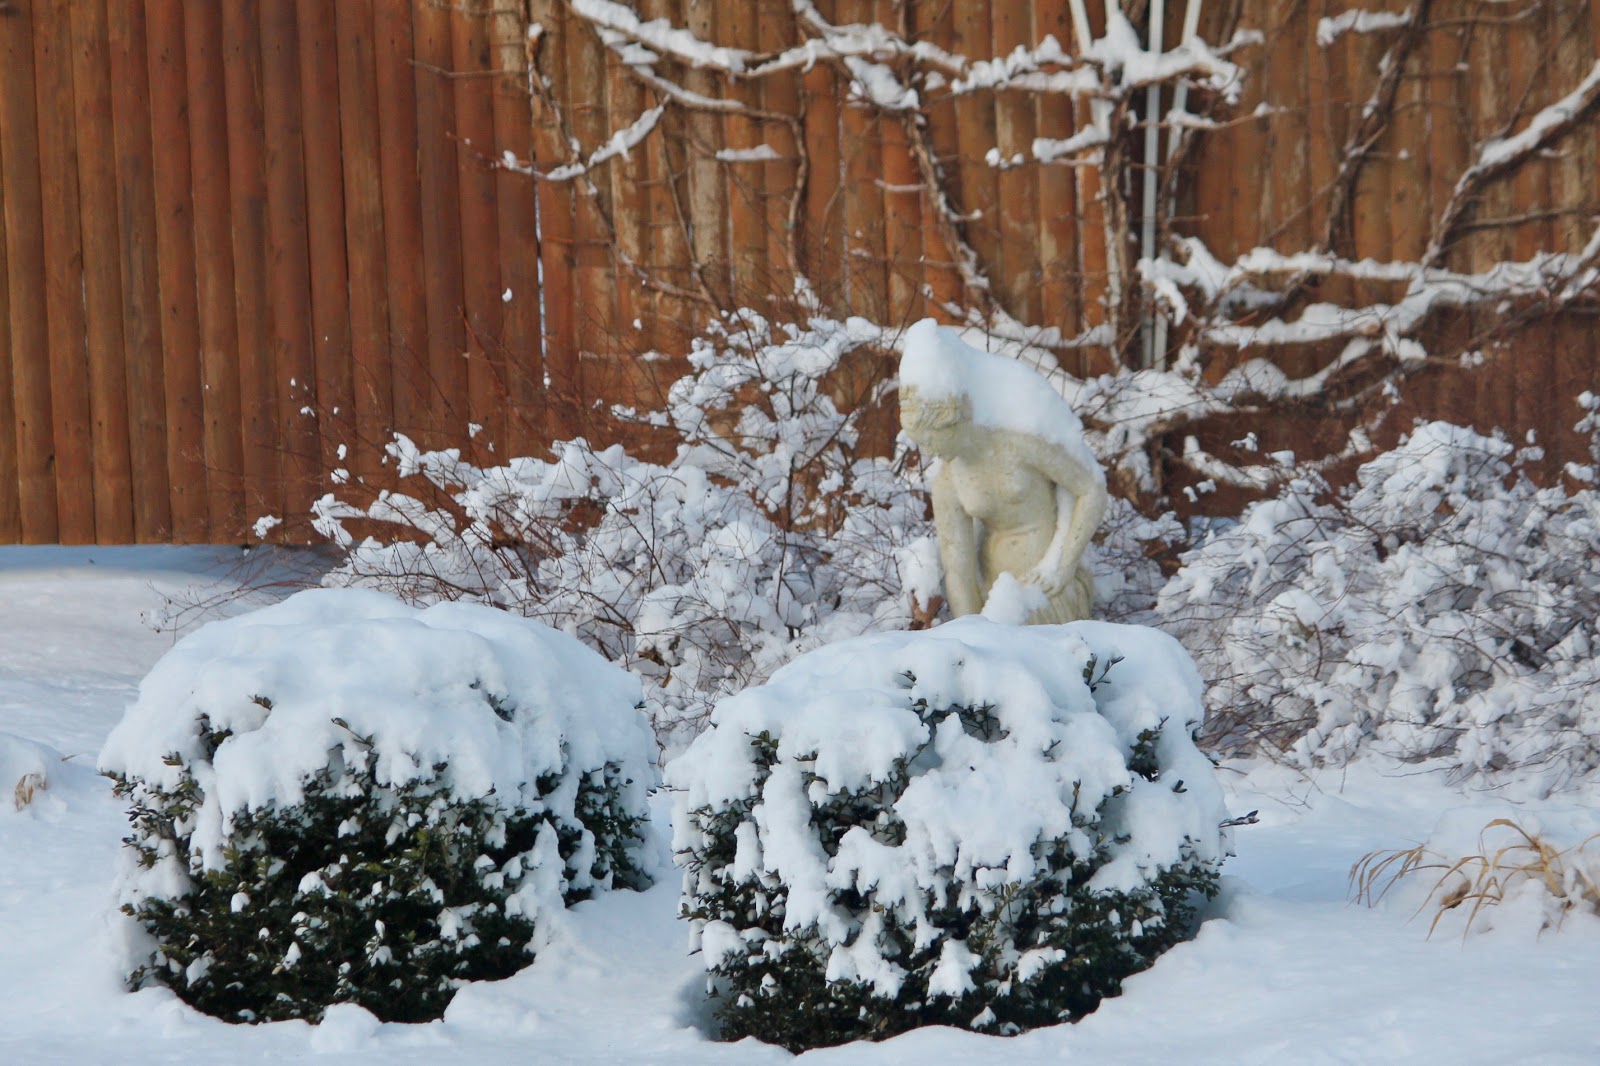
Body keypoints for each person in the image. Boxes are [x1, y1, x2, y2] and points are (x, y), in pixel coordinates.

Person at [898, 326, 1107, 624]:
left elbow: (1091, 489)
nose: (928, 450)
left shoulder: (1019, 442)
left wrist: (1061, 565)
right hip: (996, 595)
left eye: (931, 439)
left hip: (1046, 587)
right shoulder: (948, 480)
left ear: (954, 421)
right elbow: (958, 568)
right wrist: (971, 630)